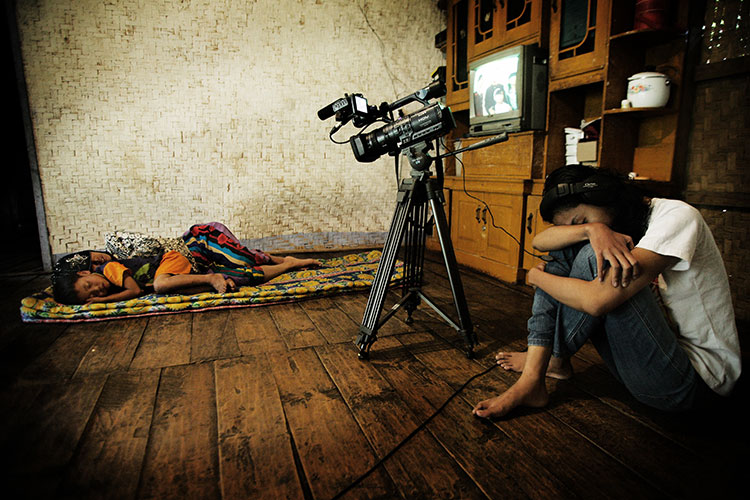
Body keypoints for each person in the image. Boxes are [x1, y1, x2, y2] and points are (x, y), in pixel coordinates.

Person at [472, 165, 741, 418]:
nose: (583, 228)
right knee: (570, 247)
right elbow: (540, 241)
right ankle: (543, 369)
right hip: (650, 362)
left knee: (593, 255)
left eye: (581, 219)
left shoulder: (678, 216)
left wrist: (536, 277)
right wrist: (591, 228)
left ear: (602, 195)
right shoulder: (616, 222)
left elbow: (597, 301)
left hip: (693, 384)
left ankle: (547, 362)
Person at [52, 222, 320, 305]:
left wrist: (101, 302)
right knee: (244, 274)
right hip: (178, 268)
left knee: (160, 284)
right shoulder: (109, 276)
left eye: (89, 285)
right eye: (91, 294)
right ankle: (290, 265)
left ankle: (212, 277)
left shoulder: (109, 269)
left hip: (174, 259)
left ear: (86, 272)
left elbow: (134, 292)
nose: (96, 290)